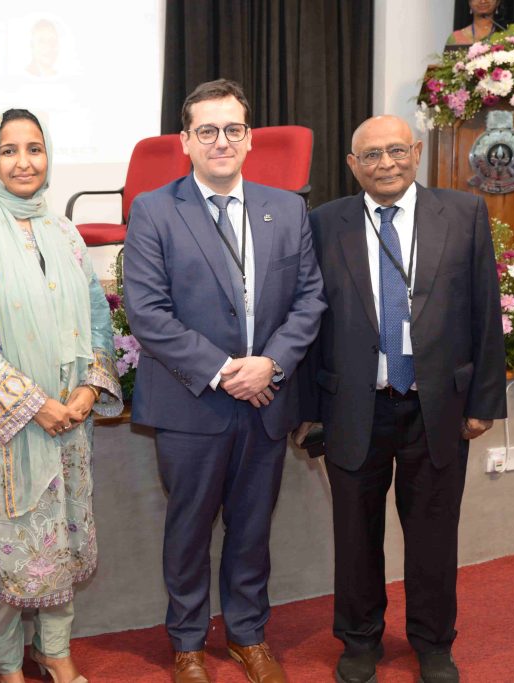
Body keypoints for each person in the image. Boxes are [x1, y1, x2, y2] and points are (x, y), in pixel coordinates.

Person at [123, 79, 325, 683]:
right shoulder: (154, 210)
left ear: (250, 138)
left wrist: (271, 364)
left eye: (232, 129)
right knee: (188, 530)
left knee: (253, 527)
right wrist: (224, 371)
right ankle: (187, 644)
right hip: (191, 403)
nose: (221, 141)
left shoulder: (286, 207)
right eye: (207, 130)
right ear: (185, 141)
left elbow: (310, 299)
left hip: (267, 397)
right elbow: (148, 312)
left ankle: (248, 635)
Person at [294, 115, 506, 683]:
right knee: (355, 535)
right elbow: (308, 320)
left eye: (395, 150)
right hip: (352, 406)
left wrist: (484, 400)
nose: (384, 163)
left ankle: (434, 643)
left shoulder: (463, 213)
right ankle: (359, 639)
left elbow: (485, 309)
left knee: (434, 534)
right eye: (370, 154)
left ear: (416, 151)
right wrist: (307, 409)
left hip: (437, 406)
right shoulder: (324, 223)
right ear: (352, 164)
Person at [0, 109, 122, 683]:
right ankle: (7, 664)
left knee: (63, 532)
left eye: (34, 149)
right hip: (6, 425)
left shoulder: (63, 231)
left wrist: (89, 387)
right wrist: (36, 405)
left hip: (70, 416)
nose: (23, 162)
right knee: (3, 548)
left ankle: (55, 651)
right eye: (9, 150)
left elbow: (96, 316)